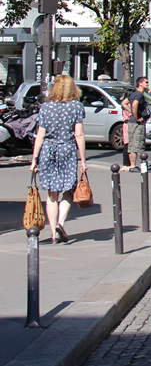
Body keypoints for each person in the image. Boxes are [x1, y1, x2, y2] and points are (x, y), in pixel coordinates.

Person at [29, 75, 87, 245]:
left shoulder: (46, 107)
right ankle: (60, 224)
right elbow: (79, 134)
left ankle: (54, 234)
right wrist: (83, 160)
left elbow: (40, 135)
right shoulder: (76, 107)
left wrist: (34, 159)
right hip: (67, 150)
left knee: (52, 194)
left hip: (48, 150)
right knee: (69, 190)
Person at [127, 76, 150, 170]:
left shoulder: (134, 94)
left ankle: (133, 165)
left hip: (132, 122)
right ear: (140, 83)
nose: (148, 84)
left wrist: (131, 112)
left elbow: (124, 103)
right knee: (136, 143)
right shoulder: (139, 95)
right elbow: (134, 104)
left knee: (132, 142)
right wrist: (137, 117)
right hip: (136, 123)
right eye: (146, 82)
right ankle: (133, 165)